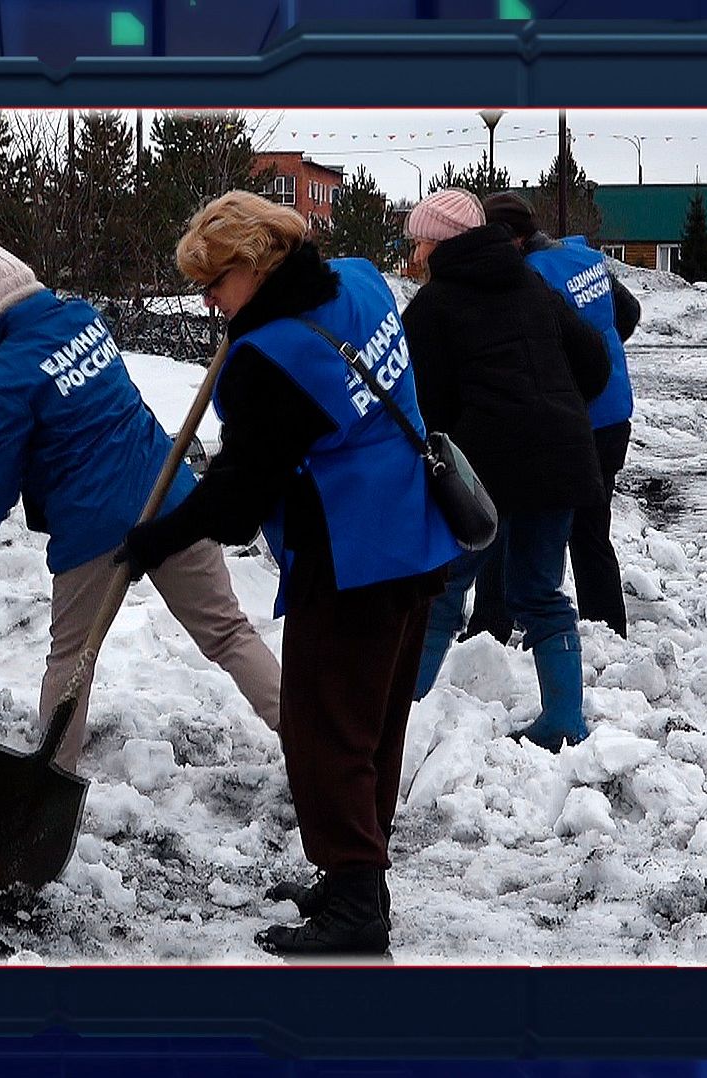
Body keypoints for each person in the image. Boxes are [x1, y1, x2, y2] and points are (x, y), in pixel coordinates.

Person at [120, 192, 458, 956]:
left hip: (350, 556)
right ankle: (355, 880)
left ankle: (355, 911)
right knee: (370, 727)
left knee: (323, 731)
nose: (206, 300)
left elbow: (238, 502)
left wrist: (157, 538)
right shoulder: (362, 281)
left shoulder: (268, 360)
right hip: (414, 531)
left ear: (254, 264)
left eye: (212, 281)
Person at [0, 233, 281, 771]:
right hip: (171, 499)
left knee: (70, 659)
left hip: (93, 527)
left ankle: (50, 779)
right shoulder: (82, 318)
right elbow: (31, 362)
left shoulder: (1, 386)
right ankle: (313, 739)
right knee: (229, 632)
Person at [397, 189, 611, 752]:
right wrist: (554, 406)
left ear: (440, 242)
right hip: (559, 456)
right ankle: (565, 719)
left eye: (419, 240)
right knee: (539, 591)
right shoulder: (532, 284)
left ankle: (403, 716)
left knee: (442, 592)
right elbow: (594, 361)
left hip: (482, 470)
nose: (414, 253)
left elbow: (419, 402)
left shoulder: (434, 305)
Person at [462, 192, 643, 642]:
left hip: (572, 420)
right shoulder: (582, 257)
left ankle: (495, 623)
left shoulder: (529, 276)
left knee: (509, 514)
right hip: (614, 412)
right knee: (590, 531)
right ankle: (607, 630)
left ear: (512, 239)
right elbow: (630, 311)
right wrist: (603, 347)